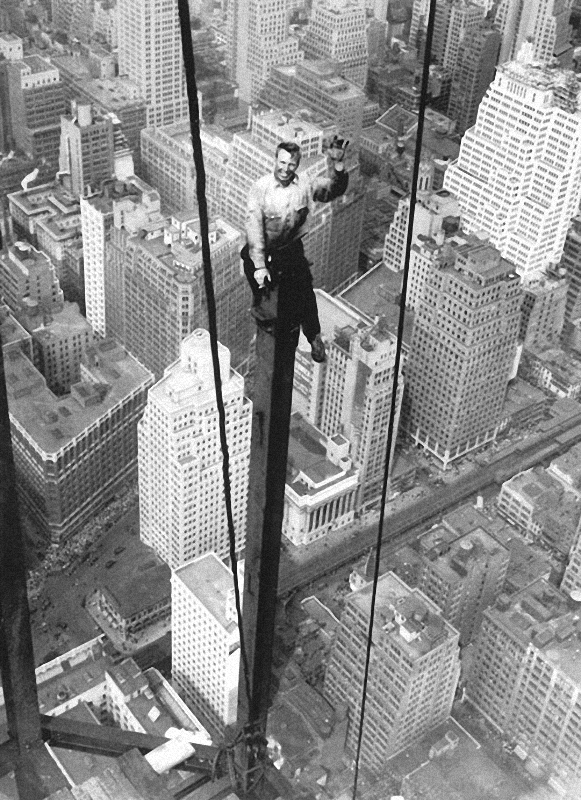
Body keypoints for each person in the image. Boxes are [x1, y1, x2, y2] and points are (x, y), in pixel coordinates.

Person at [243, 136, 349, 362]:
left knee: (304, 290)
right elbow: (254, 233)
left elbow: (333, 190)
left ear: (297, 165)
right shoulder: (260, 189)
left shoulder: (305, 185)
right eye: (282, 163)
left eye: (291, 165)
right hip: (264, 250)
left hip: (289, 248)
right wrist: (260, 267)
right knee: (264, 289)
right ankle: (262, 309)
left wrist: (337, 165)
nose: (285, 169)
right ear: (275, 160)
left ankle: (314, 337)